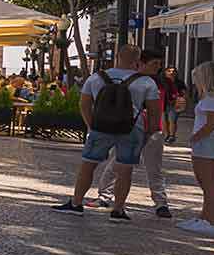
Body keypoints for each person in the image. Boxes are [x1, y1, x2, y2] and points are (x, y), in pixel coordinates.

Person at [52, 44, 160, 222]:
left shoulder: (97, 78)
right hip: (132, 129)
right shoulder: (146, 82)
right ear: (138, 61)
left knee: (88, 166)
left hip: (100, 127)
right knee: (125, 170)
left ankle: (76, 203)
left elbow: (84, 104)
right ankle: (118, 210)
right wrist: (149, 133)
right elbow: (155, 112)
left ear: (117, 57)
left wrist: (91, 125)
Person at [92, 50, 170, 216]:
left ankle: (161, 203)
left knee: (154, 167)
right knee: (117, 163)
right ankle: (104, 196)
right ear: (140, 64)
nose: (158, 67)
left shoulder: (163, 82)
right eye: (154, 64)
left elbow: (165, 106)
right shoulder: (134, 81)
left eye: (159, 64)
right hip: (132, 128)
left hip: (154, 129)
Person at [178, 61, 214, 235]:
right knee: (209, 183)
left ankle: (211, 221)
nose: (194, 82)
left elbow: (211, 123)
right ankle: (205, 217)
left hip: (207, 142)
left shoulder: (210, 98)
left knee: (208, 184)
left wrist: (195, 137)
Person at [160, 66, 184, 142]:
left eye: (173, 71)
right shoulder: (162, 82)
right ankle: (166, 135)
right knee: (165, 120)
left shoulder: (179, 82)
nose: (171, 73)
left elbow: (184, 92)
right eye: (169, 71)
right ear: (165, 72)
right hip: (164, 103)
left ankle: (172, 136)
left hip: (175, 104)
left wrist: (182, 99)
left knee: (172, 120)